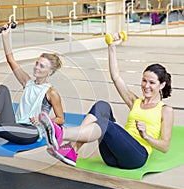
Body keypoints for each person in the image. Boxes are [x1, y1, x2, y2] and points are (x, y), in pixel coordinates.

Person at [39, 32, 174, 167]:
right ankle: (72, 149)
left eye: (152, 83)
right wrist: (111, 47)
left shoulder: (165, 110)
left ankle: (61, 133)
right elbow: (115, 76)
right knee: (102, 106)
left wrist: (146, 136)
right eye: (144, 81)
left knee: (106, 124)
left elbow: (165, 146)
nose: (146, 86)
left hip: (136, 157)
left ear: (162, 85)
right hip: (112, 155)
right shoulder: (135, 102)